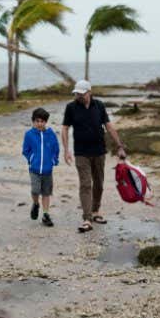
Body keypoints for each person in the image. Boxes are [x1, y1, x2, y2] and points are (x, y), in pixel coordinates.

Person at [61, 79, 126, 233]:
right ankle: (87, 218)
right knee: (85, 184)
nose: (79, 96)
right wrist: (65, 150)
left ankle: (96, 211)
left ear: (89, 92)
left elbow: (109, 126)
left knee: (99, 183)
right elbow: (64, 128)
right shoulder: (71, 107)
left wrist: (119, 146)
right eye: (77, 93)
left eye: (81, 94)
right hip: (81, 152)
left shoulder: (99, 106)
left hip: (99, 151)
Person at [22, 107, 60, 227]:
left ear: (45, 122)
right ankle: (35, 204)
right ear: (33, 121)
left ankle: (45, 214)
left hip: (48, 170)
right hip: (34, 169)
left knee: (46, 193)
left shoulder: (51, 134)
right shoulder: (29, 135)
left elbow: (56, 148)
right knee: (35, 190)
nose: (40, 124)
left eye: (42, 121)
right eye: (37, 121)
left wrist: (54, 159)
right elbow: (25, 150)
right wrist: (31, 158)